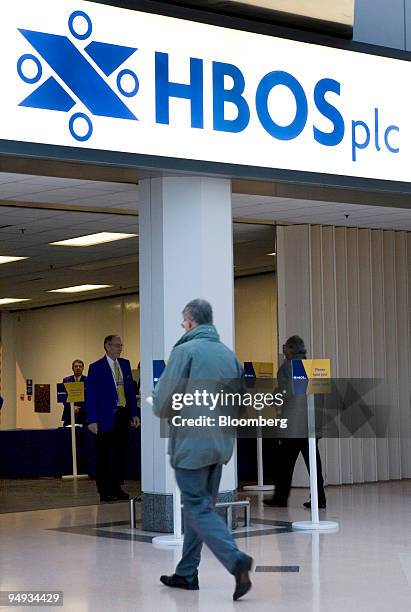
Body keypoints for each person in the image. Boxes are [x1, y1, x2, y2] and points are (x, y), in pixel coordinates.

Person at [152, 299, 253, 602]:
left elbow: (161, 403)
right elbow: (242, 406)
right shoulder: (229, 356)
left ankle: (236, 560)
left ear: (191, 322)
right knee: (201, 507)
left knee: (195, 506)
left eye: (184, 321)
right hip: (220, 445)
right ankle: (186, 573)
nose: (183, 326)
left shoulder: (185, 352)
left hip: (191, 444)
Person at [264, 335, 327, 509]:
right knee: (314, 465)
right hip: (312, 426)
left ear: (291, 350)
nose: (284, 351)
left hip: (292, 426)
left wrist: (273, 400)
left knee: (284, 464)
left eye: (285, 348)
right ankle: (319, 499)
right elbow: (321, 398)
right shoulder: (314, 367)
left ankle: (280, 498)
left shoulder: (287, 368)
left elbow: (285, 393)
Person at [86, 335, 139, 502]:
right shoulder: (96, 368)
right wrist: (91, 419)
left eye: (121, 345)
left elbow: (130, 391)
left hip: (122, 414)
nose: (120, 348)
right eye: (116, 345)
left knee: (120, 453)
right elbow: (91, 395)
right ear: (107, 347)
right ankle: (105, 490)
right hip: (105, 417)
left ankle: (117, 487)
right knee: (104, 455)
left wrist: (133, 413)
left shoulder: (125, 364)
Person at [61, 359, 87, 427]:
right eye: (76, 366)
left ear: (83, 368)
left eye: (80, 366)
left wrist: (80, 408)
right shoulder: (66, 380)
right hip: (69, 413)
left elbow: (90, 397)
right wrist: (72, 407)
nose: (78, 368)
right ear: (72, 368)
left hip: (84, 414)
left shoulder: (88, 380)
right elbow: (63, 397)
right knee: (67, 435)